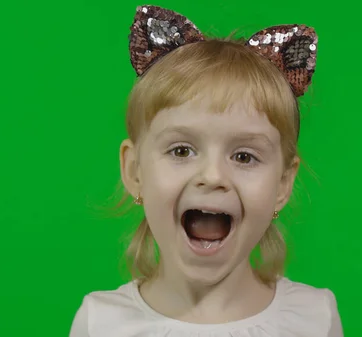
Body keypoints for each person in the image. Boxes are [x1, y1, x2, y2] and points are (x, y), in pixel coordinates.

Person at [69, 5, 343, 336]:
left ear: (283, 184)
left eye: (244, 157)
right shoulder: (101, 323)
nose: (212, 176)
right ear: (135, 171)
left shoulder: (315, 318)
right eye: (181, 150)